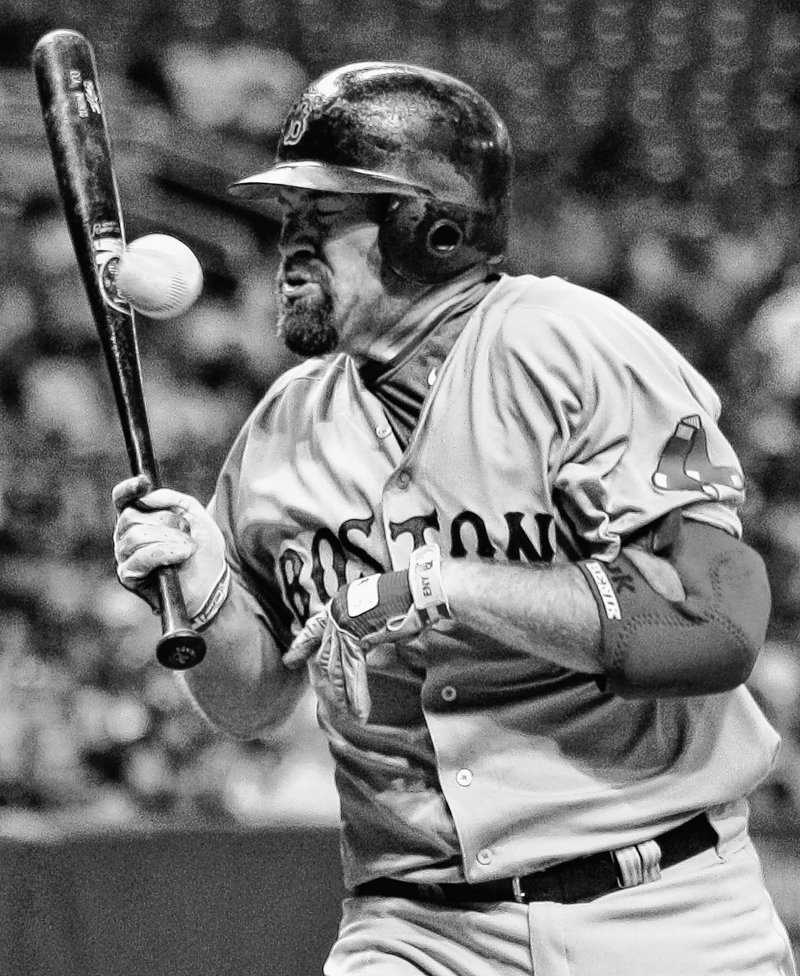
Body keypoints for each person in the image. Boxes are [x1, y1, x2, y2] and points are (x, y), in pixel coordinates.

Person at [112, 62, 797, 976]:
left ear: (428, 227)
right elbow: (250, 702)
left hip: (659, 909)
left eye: (324, 219)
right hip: (415, 929)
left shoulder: (565, 345)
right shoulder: (281, 428)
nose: (289, 245)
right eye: (289, 219)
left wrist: (449, 587)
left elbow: (712, 629)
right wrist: (198, 594)